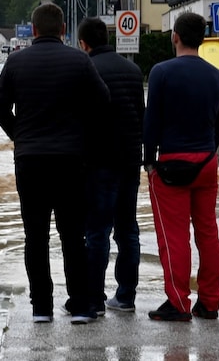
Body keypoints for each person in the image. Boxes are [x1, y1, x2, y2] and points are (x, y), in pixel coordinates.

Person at [0, 2, 110, 324]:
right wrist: (80, 134)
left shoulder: (15, 62)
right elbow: (102, 102)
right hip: (71, 160)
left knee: (36, 236)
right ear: (62, 30)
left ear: (33, 30)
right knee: (72, 235)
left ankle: (41, 307)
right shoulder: (80, 61)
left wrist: (21, 135)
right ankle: (81, 305)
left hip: (30, 161)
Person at [143, 12, 219, 321]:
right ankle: (210, 301)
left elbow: (151, 122)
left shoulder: (161, 72)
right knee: (208, 232)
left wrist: (149, 161)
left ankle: (178, 302)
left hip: (171, 164)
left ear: (175, 36)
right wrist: (208, 150)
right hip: (206, 161)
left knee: (174, 236)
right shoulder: (217, 75)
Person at [77, 17, 144, 316]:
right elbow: (140, 116)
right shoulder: (133, 70)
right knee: (128, 230)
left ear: (84, 44)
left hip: (98, 163)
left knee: (97, 232)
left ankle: (94, 299)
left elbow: (80, 120)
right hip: (130, 161)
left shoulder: (86, 70)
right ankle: (126, 297)